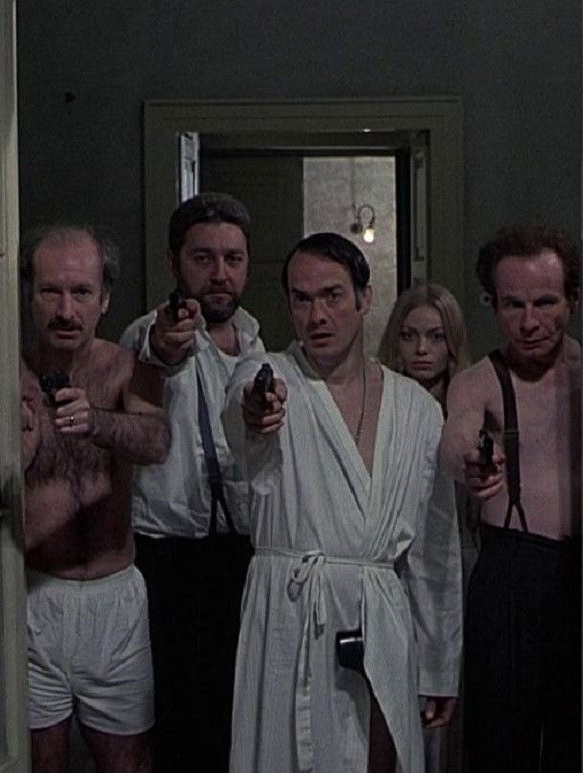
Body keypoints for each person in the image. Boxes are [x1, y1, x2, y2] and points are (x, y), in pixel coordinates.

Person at [223, 232, 462, 773]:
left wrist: (439, 665)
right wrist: (257, 411)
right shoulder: (269, 376)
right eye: (301, 299)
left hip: (377, 612)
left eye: (332, 295)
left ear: (364, 298)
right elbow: (245, 411)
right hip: (289, 612)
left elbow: (434, 549)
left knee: (379, 754)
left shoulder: (417, 410)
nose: (317, 315)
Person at [118, 193, 264, 770]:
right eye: (203, 258)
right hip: (168, 559)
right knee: (178, 722)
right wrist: (164, 346)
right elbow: (158, 355)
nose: (220, 273)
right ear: (174, 262)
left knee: (241, 716)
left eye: (233, 258)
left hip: (245, 554)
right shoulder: (148, 334)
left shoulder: (256, 341)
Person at [20, 225, 170, 773]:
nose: (66, 310)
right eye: (50, 292)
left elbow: (158, 441)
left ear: (104, 299)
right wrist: (11, 455)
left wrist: (98, 423)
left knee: (127, 760)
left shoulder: (126, 367)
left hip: (114, 596)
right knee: (39, 761)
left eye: (81, 292)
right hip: (33, 593)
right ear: (28, 294)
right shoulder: (2, 373)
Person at [442, 225, 582, 773]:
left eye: (545, 303)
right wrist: (473, 461)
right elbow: (456, 437)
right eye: (512, 305)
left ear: (573, 299)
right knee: (499, 742)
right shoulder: (479, 381)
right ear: (493, 305)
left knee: (581, 733)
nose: (529, 323)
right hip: (509, 572)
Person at [377, 282, 474, 773]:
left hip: (458, 558)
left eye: (435, 337)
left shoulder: (467, 406)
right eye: (410, 336)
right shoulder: (381, 403)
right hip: (392, 565)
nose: (421, 350)